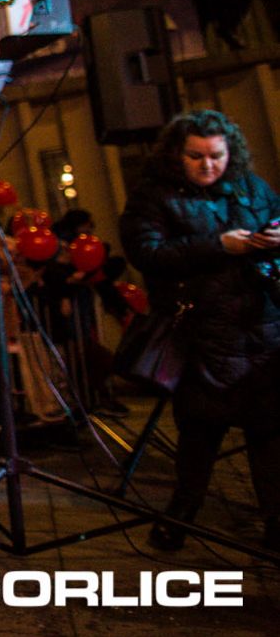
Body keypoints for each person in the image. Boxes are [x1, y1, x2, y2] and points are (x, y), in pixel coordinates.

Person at [120, 110, 280, 550]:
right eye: (197, 156)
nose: (208, 165)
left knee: (269, 433)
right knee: (199, 433)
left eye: (216, 156)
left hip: (261, 328)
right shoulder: (153, 196)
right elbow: (147, 253)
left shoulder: (250, 186)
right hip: (200, 332)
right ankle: (181, 517)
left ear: (231, 153)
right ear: (177, 154)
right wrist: (218, 245)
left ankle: (275, 522)